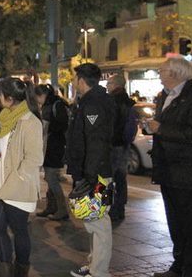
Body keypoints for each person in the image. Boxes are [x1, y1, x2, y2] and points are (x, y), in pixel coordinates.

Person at [146, 56, 192, 277]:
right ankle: (179, 264)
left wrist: (161, 129)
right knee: (175, 221)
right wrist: (152, 128)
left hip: (188, 171)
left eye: (162, 70)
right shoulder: (166, 96)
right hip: (168, 169)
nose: (159, 73)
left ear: (175, 73)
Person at [0, 78, 43, 277]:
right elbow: (8, 148)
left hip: (18, 186)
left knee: (19, 231)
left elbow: (34, 158)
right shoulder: (5, 117)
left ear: (9, 98)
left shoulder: (30, 122)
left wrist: (17, 177)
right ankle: (5, 270)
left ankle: (21, 270)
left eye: (1, 94)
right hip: (1, 183)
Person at [66, 63, 116, 277]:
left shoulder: (93, 103)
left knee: (99, 223)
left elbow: (95, 141)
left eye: (74, 78)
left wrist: (88, 175)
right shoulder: (92, 100)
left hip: (95, 172)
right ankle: (95, 264)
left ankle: (99, 271)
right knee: (92, 220)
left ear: (82, 80)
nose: (72, 81)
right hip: (93, 169)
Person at [34, 84, 70, 221]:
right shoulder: (57, 103)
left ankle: (62, 209)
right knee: (50, 178)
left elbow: (45, 129)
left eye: (37, 98)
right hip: (55, 145)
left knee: (51, 178)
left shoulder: (51, 106)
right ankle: (51, 207)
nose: (37, 101)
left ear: (41, 95)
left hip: (53, 147)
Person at [106, 74, 136, 222]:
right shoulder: (129, 102)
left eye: (109, 83)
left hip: (112, 145)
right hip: (123, 145)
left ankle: (109, 207)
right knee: (121, 178)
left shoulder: (111, 101)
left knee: (108, 178)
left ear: (115, 85)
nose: (107, 85)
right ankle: (120, 206)